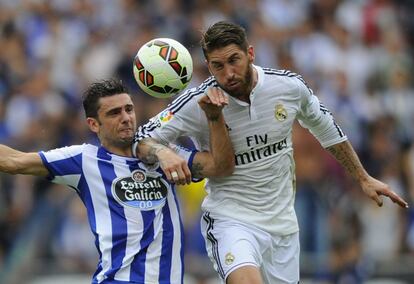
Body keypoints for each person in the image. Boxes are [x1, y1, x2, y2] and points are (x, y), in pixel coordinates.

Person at [133, 21, 409, 284]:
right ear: (209, 66)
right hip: (231, 220)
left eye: (234, 60)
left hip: (282, 226)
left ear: (250, 53)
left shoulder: (288, 87)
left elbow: (328, 130)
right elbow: (141, 139)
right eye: (218, 66)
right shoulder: (197, 103)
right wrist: (163, 153)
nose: (228, 73)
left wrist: (362, 177)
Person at [0, 79, 234, 284]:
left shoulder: (166, 153)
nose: (125, 118)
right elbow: (14, 161)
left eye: (128, 109)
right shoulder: (83, 159)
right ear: (93, 124)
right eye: (114, 113)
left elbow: (221, 167)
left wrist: (214, 118)